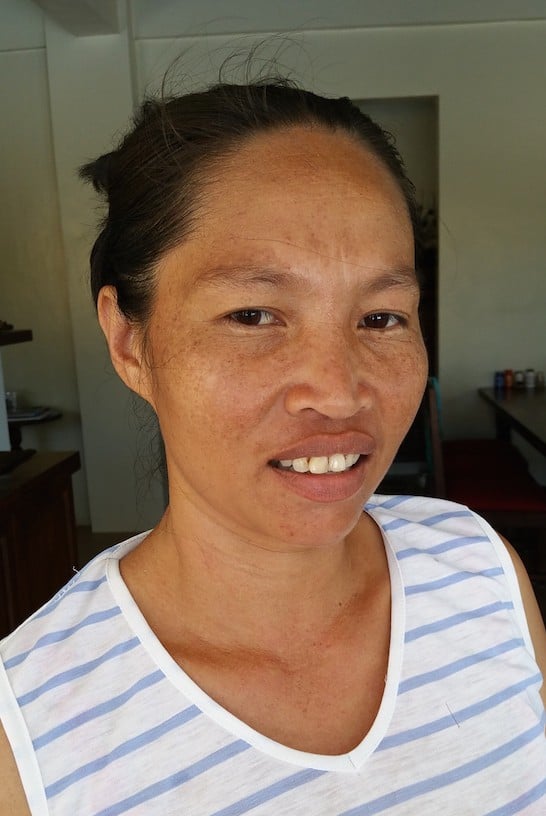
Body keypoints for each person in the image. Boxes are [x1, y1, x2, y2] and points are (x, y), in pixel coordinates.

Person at [1, 77, 545, 816]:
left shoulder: (480, 572)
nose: (340, 392)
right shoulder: (28, 734)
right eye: (254, 314)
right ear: (130, 343)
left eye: (382, 317)